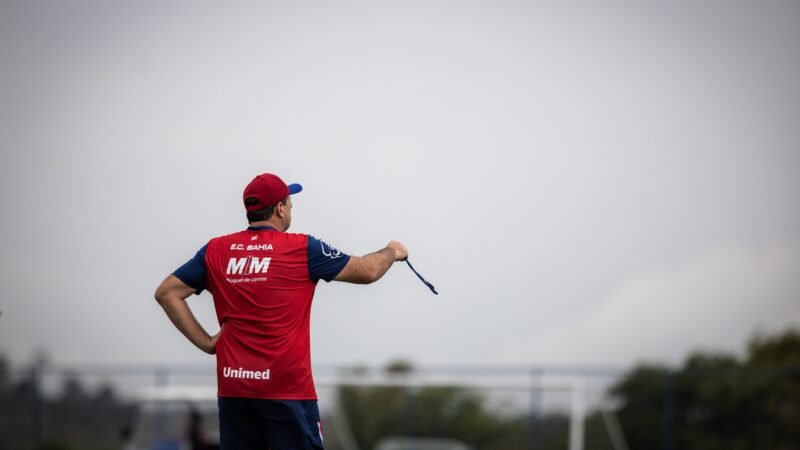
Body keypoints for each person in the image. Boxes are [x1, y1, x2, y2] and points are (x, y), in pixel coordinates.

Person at [155, 173, 408, 450]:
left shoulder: (216, 250)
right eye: (289, 202)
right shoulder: (302, 248)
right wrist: (392, 251)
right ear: (279, 208)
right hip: (288, 393)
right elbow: (368, 270)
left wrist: (207, 343)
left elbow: (167, 292)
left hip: (235, 392)